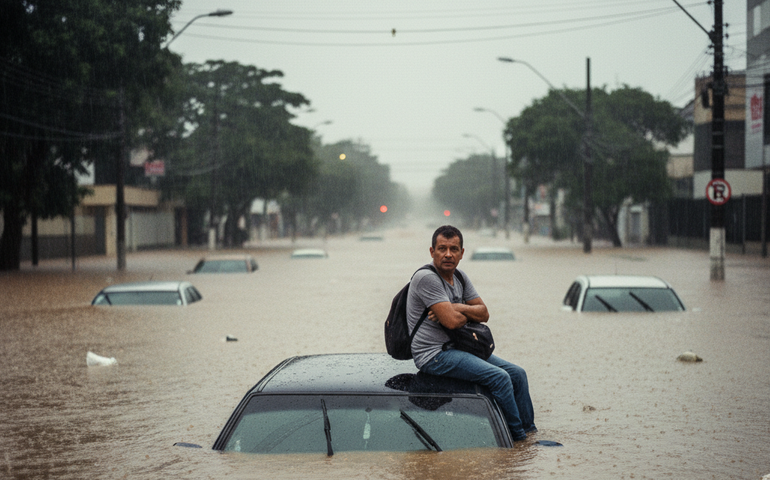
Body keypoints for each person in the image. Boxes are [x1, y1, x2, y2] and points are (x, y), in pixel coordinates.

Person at [406, 225, 536, 441]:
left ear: (462, 253)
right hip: (433, 355)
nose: (448, 254)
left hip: (459, 348)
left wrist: (455, 307)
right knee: (501, 378)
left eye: (454, 249)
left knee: (518, 375)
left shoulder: (460, 277)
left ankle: (531, 432)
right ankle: (519, 440)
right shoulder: (426, 278)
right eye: (442, 248)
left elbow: (484, 313)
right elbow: (452, 322)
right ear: (432, 252)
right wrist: (458, 312)